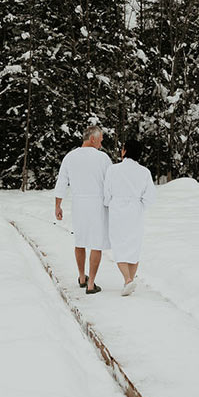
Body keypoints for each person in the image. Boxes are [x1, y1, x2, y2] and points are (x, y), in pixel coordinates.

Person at [54, 125, 111, 294]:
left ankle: (81, 277)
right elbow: (111, 182)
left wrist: (58, 205)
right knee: (96, 243)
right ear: (92, 139)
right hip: (98, 204)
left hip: (78, 204)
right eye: (100, 140)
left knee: (80, 241)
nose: (101, 143)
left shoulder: (70, 157)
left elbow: (62, 182)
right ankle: (91, 283)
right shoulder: (103, 158)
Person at [103, 138, 156, 296]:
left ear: (125, 151)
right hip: (135, 210)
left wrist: (109, 203)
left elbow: (107, 193)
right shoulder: (144, 172)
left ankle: (127, 280)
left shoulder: (113, 170)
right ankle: (130, 281)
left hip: (117, 210)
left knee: (119, 245)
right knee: (134, 245)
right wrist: (139, 206)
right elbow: (150, 196)